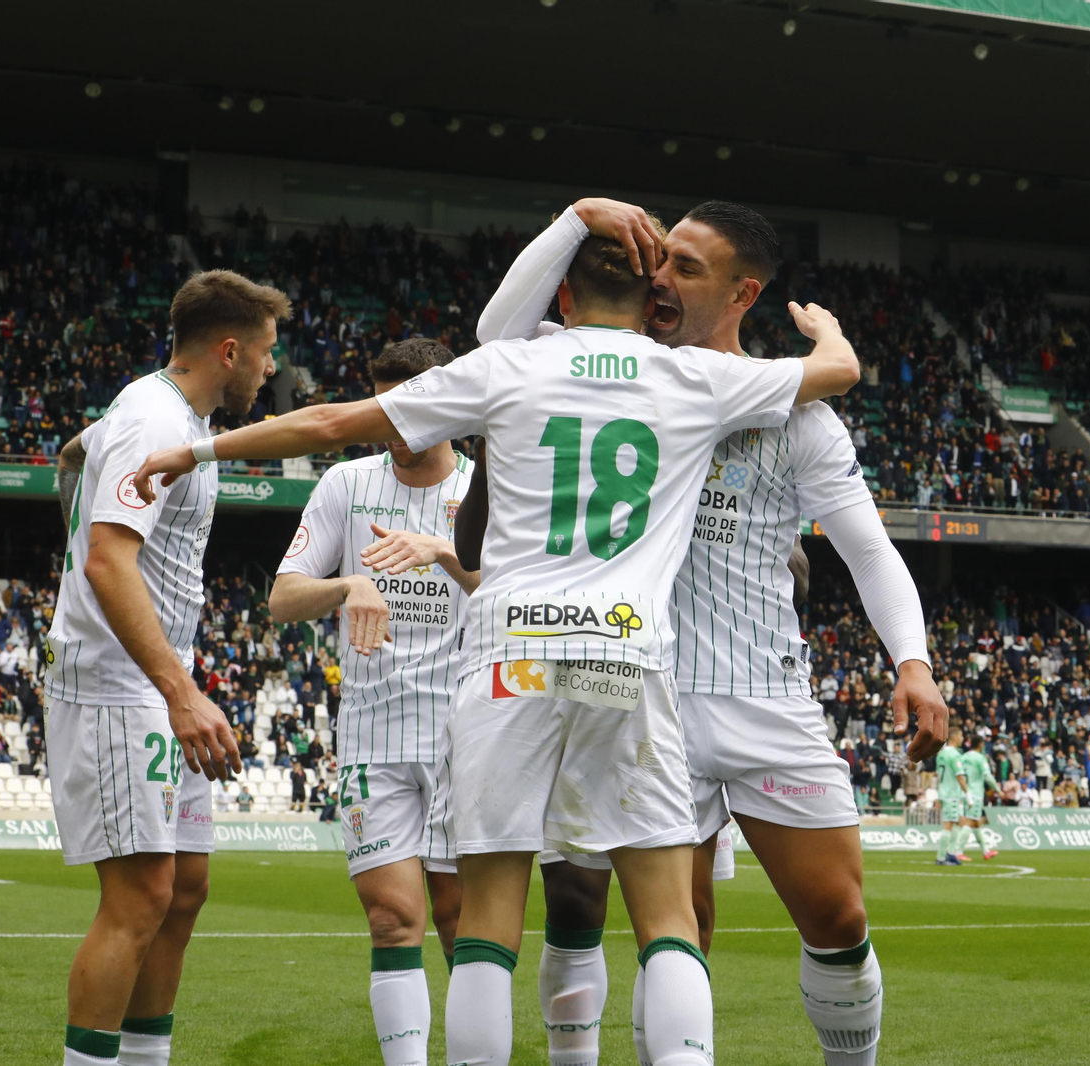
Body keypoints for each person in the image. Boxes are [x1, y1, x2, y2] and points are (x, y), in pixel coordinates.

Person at [134, 219, 865, 1066]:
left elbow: (334, 422)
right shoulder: (695, 376)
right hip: (625, 660)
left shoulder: (509, 364)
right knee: (668, 921)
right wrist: (829, 333)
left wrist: (198, 449)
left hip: (508, 660)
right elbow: (837, 374)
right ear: (649, 300)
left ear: (561, 296)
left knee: (486, 924)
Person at [472, 197, 946, 1065]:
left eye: (686, 267)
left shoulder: (796, 414)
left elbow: (870, 553)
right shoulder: (598, 371)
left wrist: (912, 664)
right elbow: (497, 332)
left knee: (838, 915)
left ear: (743, 292)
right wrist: (576, 221)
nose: (659, 277)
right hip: (647, 692)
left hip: (766, 692)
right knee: (677, 926)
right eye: (660, 258)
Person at [45, 269, 286, 1066]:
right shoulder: (153, 417)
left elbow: (75, 454)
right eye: (264, 353)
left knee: (184, 892)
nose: (271, 369)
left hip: (154, 683)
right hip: (122, 688)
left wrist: (77, 471)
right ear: (228, 350)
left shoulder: (154, 411)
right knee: (142, 895)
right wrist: (182, 695)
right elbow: (108, 565)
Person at [271, 338, 474, 1066]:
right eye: (383, 408)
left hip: (468, 735)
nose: (393, 428)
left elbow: (521, 601)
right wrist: (347, 585)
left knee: (459, 919)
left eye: (409, 409)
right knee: (393, 918)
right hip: (372, 733)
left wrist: (445, 553)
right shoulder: (346, 485)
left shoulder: (490, 487)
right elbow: (282, 597)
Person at [959, 734, 999, 861]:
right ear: (981, 744)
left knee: (976, 823)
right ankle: (958, 851)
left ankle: (986, 851)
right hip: (975, 794)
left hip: (964, 792)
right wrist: (998, 790)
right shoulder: (981, 758)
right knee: (970, 821)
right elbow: (988, 777)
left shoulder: (963, 757)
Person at [935, 727, 968, 866]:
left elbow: (938, 775)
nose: (962, 739)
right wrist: (968, 794)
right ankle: (941, 858)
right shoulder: (955, 755)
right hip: (951, 795)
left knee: (960, 822)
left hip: (944, 792)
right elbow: (960, 777)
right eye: (961, 736)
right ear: (954, 737)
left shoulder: (941, 754)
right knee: (948, 825)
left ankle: (950, 852)